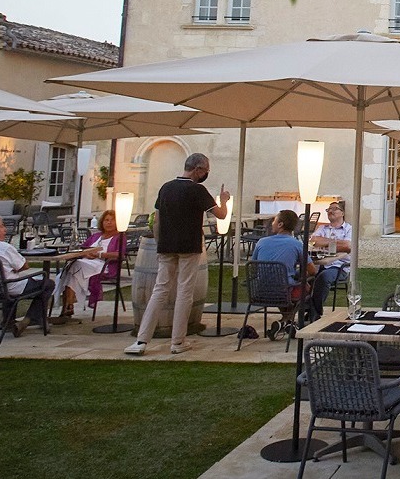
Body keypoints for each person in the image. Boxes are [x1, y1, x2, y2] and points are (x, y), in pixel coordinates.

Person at [124, 152, 230, 356]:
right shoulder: (197, 190)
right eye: (206, 171)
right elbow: (221, 215)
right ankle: (178, 341)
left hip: (166, 245)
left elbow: (157, 220)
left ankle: (141, 340)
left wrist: (158, 243)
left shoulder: (166, 188)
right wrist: (223, 200)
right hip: (188, 246)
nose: (206, 174)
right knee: (184, 292)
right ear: (198, 170)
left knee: (160, 290)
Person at [0, 215, 52, 336]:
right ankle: (28, 320)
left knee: (8, 280)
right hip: (6, 289)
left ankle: (8, 322)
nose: (5, 229)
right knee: (47, 284)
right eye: (1, 226)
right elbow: (24, 266)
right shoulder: (3, 248)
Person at [50, 209, 123, 324]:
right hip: (85, 263)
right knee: (71, 269)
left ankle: (67, 306)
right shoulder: (96, 236)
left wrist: (99, 254)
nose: (109, 222)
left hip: (103, 265)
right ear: (102, 222)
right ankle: (68, 306)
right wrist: (86, 253)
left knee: (72, 268)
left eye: (112, 220)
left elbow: (119, 254)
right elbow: (82, 248)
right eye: (106, 220)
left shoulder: (120, 237)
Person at [252, 208, 309, 330]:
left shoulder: (261, 242)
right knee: (312, 280)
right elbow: (312, 270)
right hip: (284, 293)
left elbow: (253, 267)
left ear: (280, 224)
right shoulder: (297, 244)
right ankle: (290, 321)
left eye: (274, 220)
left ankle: (285, 322)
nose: (272, 223)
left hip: (259, 291)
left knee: (284, 281)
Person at [309, 201, 351, 318]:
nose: (331, 211)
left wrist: (324, 242)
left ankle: (314, 313)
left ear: (342, 213)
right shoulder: (322, 227)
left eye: (334, 208)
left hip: (339, 266)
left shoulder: (348, 229)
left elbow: (347, 246)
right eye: (328, 209)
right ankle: (306, 308)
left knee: (323, 278)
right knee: (300, 276)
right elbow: (313, 241)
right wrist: (335, 242)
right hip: (319, 265)